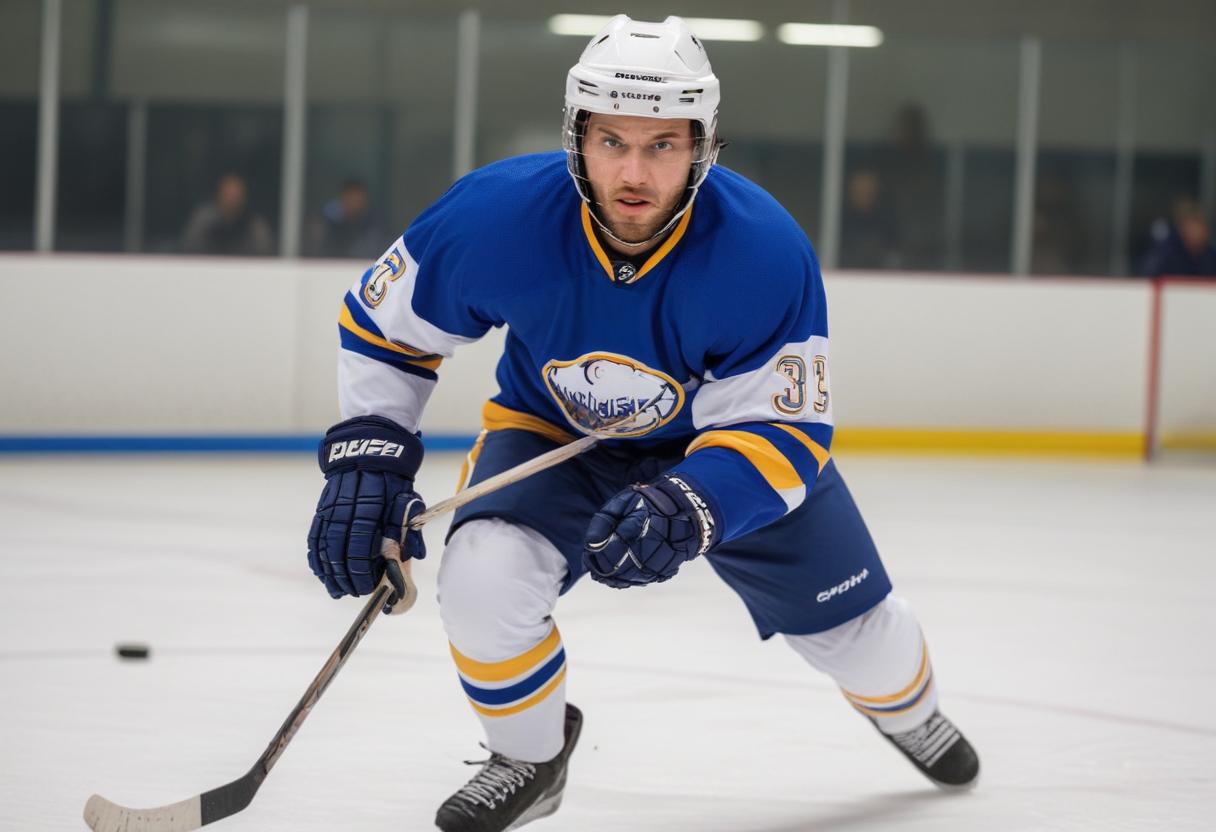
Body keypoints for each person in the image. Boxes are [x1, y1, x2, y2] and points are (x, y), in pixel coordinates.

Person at [305, 16, 980, 832]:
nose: (633, 172)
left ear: (703, 146)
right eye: (612, 141)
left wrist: (693, 503)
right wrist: (370, 462)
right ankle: (528, 755)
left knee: (862, 640)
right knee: (481, 576)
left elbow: (783, 430)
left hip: (722, 457)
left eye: (662, 145)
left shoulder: (764, 250)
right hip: (554, 437)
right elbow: (387, 331)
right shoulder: (495, 216)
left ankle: (911, 711)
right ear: (576, 136)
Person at [181, 172, 274, 256]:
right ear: (219, 194)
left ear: (244, 197)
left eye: (236, 195)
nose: (232, 199)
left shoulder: (255, 228)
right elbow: (189, 252)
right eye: (228, 194)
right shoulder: (202, 223)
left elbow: (265, 257)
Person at [305, 178, 384, 259]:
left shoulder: (374, 227)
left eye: (356, 198)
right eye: (349, 198)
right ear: (342, 198)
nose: (353, 203)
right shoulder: (328, 224)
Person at [1139, 199, 1216, 277]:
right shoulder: (1166, 252)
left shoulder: (1210, 255)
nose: (1197, 232)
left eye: (1201, 227)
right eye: (1192, 227)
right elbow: (1147, 278)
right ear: (1183, 229)